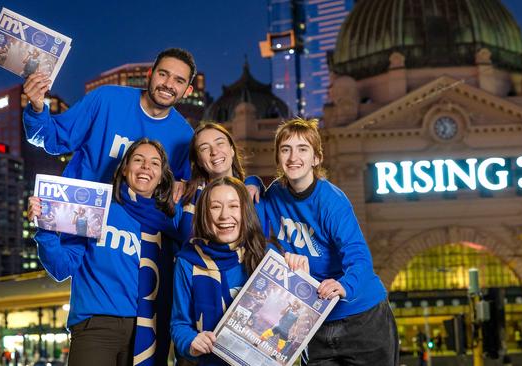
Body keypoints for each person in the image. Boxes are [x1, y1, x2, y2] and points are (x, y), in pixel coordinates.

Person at [255, 118, 399, 366]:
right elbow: (250, 237)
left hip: (362, 317)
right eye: (285, 149)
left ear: (316, 158)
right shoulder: (274, 196)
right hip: (313, 320)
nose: (293, 157)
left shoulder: (332, 200)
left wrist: (344, 285)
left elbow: (359, 255)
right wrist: (252, 182)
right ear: (278, 157)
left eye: (303, 149)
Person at [28, 138, 183, 366]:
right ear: (124, 168)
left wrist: (254, 183)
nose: (145, 168)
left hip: (147, 332)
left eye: (154, 163)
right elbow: (61, 268)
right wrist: (46, 228)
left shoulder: (169, 224)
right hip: (96, 328)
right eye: (138, 160)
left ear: (162, 176)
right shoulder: (96, 209)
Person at [22, 48, 196, 199]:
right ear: (150, 74)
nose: (168, 84)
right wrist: (37, 108)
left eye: (179, 80)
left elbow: (178, 190)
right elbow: (52, 138)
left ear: (188, 91)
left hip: (133, 229)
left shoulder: (184, 136)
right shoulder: (106, 99)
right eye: (163, 74)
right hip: (81, 210)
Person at [171, 177, 308, 366]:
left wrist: (300, 274)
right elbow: (179, 325)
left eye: (233, 206)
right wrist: (191, 342)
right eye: (215, 207)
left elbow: (299, 311)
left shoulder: (267, 255)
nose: (224, 215)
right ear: (204, 214)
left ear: (245, 212)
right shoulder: (187, 262)